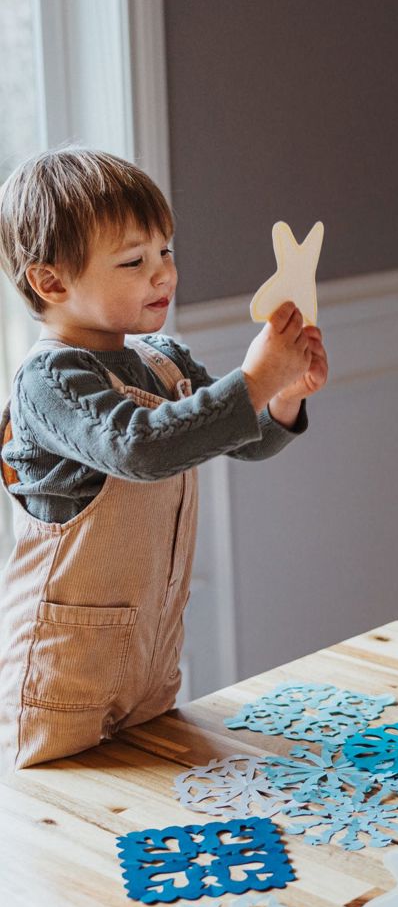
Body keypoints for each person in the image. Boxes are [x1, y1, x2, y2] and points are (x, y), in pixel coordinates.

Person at [0, 147, 328, 770]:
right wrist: (253, 379)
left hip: (151, 661)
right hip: (61, 671)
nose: (163, 275)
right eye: (134, 260)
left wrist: (281, 397)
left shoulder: (165, 359)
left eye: (166, 251)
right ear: (51, 282)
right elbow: (141, 447)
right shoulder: (49, 379)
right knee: (67, 837)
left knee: (146, 819)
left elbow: (240, 437)